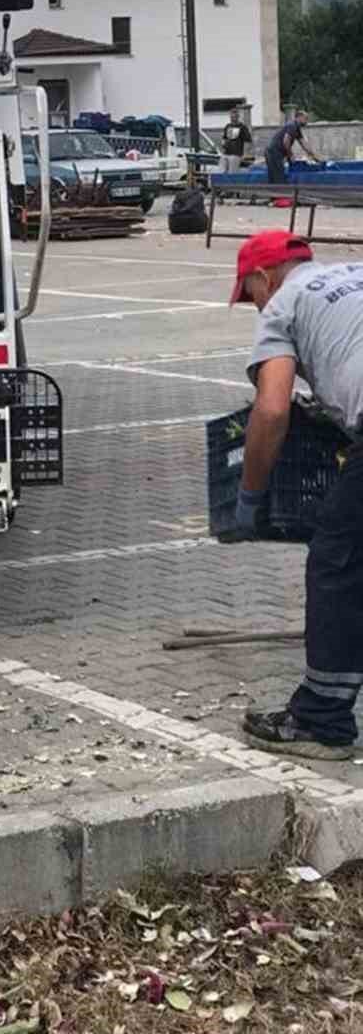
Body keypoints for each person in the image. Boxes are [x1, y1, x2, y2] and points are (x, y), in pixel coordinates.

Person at [230, 229, 363, 759]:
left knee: (337, 559)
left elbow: (272, 410)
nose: (253, 307)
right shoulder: (354, 274)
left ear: (264, 278)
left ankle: (321, 719)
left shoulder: (283, 306)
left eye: (248, 294)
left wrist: (250, 497)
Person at [264, 110, 322, 184]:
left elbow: (304, 144)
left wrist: (314, 156)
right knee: (277, 177)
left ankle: (277, 193)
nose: (307, 122)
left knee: (277, 176)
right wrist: (290, 155)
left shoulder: (297, 129)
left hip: (275, 153)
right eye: (306, 119)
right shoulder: (292, 125)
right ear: (299, 117)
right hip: (273, 152)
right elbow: (286, 141)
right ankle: (278, 194)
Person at [219, 108, 252, 177]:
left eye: (234, 117)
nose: (232, 118)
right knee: (221, 170)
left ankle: (231, 186)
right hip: (226, 153)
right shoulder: (227, 126)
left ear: (238, 117)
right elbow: (224, 138)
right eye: (231, 117)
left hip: (236, 154)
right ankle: (222, 184)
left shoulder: (242, 127)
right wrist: (223, 145)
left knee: (232, 173)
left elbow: (247, 141)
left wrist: (244, 154)